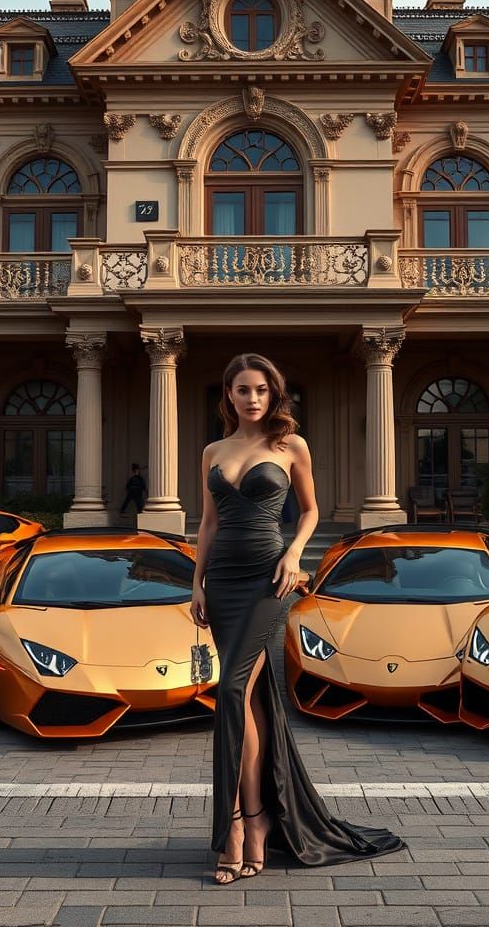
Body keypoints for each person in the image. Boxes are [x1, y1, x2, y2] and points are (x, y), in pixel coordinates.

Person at [191, 353, 405, 885]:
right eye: (243, 390)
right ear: (229, 395)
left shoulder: (291, 446)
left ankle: (241, 824)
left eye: (262, 389)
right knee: (253, 701)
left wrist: (295, 555)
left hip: (269, 578)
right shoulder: (213, 451)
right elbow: (209, 522)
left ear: (274, 394)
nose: (253, 399)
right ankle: (256, 818)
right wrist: (196, 582)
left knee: (231, 693)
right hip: (222, 581)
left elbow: (310, 509)